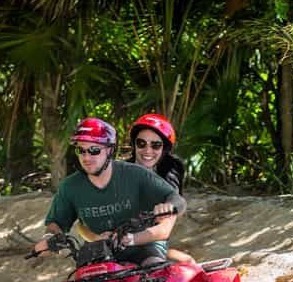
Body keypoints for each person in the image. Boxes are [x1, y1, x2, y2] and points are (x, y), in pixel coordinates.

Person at [33, 117, 186, 266]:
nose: (86, 157)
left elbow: (176, 202)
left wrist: (169, 206)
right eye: (81, 150)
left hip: (145, 247)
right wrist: (51, 238)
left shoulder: (137, 174)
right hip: (100, 251)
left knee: (155, 271)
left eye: (94, 150)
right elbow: (58, 224)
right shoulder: (69, 186)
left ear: (110, 150)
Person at [75, 113, 195, 263]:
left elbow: (164, 229)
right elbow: (80, 223)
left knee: (171, 265)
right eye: (141, 143)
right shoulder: (115, 172)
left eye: (156, 145)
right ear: (134, 145)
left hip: (149, 246)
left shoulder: (169, 176)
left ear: (164, 148)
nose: (148, 150)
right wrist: (97, 238)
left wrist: (129, 239)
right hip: (110, 247)